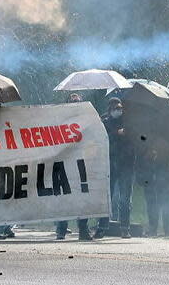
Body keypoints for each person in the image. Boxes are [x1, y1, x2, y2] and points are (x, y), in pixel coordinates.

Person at [56, 93, 107, 241]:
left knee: (82, 196)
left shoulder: (87, 119)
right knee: (64, 196)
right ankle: (61, 229)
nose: (75, 103)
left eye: (77, 101)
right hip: (65, 162)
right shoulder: (61, 119)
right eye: (72, 101)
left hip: (82, 163)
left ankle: (83, 230)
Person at [103, 98, 134, 238]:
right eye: (115, 108)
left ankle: (125, 227)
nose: (118, 110)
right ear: (110, 109)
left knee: (125, 198)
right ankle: (103, 225)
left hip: (126, 164)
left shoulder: (128, 122)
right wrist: (117, 133)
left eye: (119, 107)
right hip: (110, 163)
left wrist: (127, 132)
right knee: (107, 196)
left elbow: (136, 139)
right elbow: (103, 138)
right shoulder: (105, 122)